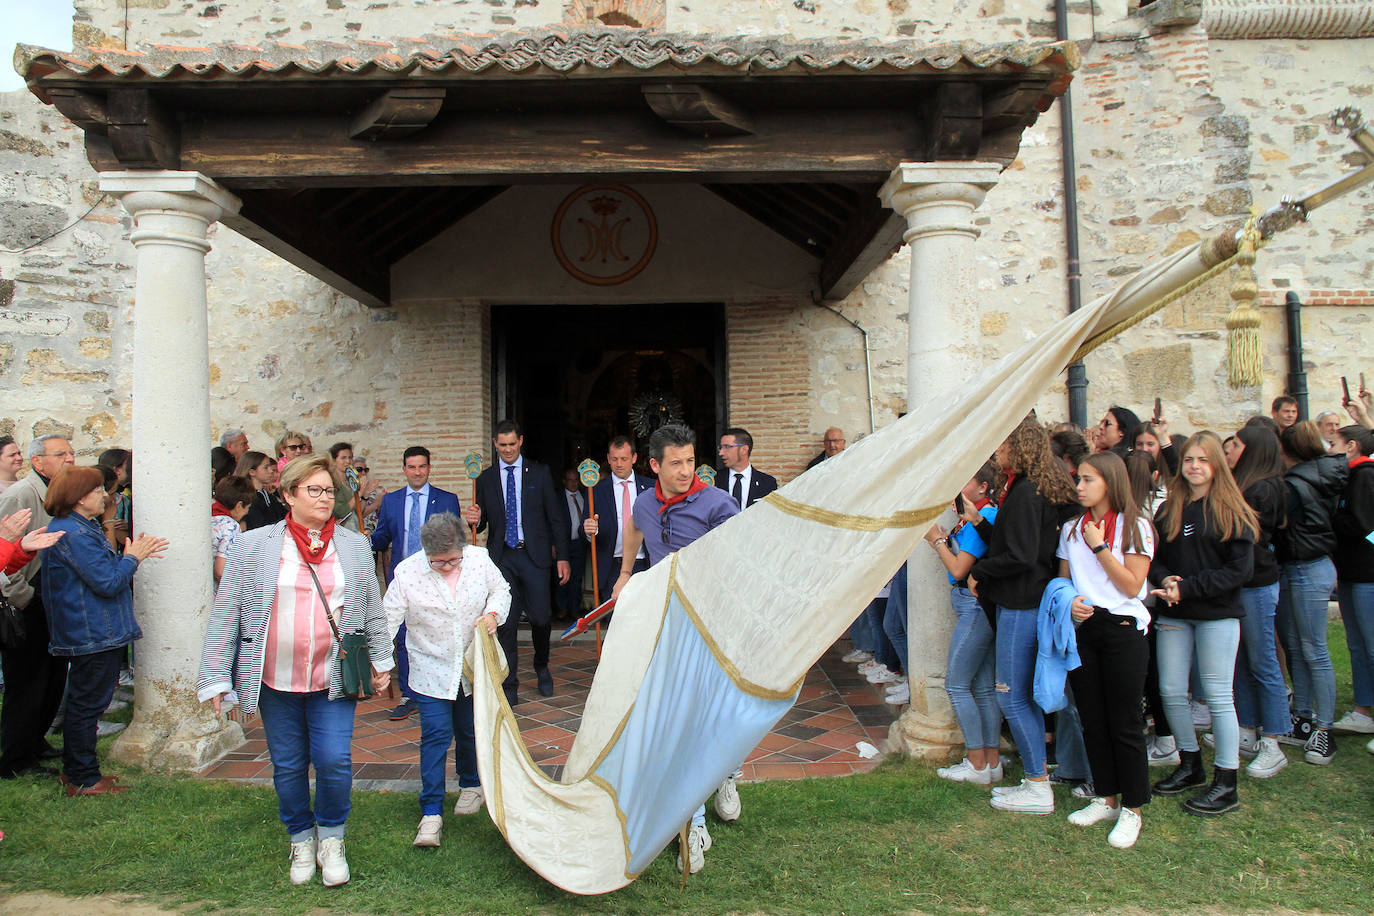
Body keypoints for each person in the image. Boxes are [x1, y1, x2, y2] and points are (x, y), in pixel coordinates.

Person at [198, 454, 393, 888]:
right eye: (315, 490)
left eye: (329, 490)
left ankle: (331, 839)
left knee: (334, 760)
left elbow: (371, 609)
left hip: (333, 677)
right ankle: (301, 838)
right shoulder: (254, 545)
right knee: (287, 766)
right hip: (274, 678)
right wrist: (214, 675)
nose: (325, 498)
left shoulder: (354, 545)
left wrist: (382, 661)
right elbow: (226, 612)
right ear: (288, 495)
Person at [611, 424, 742, 874]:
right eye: (676, 463)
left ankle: (725, 773)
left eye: (690, 461)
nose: (686, 471)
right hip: (665, 626)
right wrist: (627, 572)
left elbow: (737, 560)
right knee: (678, 720)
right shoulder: (645, 501)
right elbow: (633, 527)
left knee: (712, 714)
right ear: (655, 466)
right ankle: (693, 820)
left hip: (709, 627)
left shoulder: (718, 504)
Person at [968, 417, 1079, 814]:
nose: (996, 452)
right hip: (1021, 601)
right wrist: (982, 527)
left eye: (1002, 445)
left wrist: (979, 571)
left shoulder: (1029, 492)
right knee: (1017, 697)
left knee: (1012, 698)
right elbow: (1010, 543)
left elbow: (1021, 555)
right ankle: (1036, 778)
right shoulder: (1024, 487)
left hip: (1022, 604)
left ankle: (1037, 785)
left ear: (1020, 447)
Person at [383, 513, 510, 847]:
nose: (448, 567)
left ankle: (470, 785)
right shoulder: (408, 572)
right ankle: (431, 812)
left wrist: (494, 614)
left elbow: (501, 590)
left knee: (468, 729)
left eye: (453, 560)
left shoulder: (479, 560)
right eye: (438, 563)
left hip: (470, 665)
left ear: (463, 548)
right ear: (426, 553)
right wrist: (380, 662)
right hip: (430, 667)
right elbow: (389, 618)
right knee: (436, 735)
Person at [42, 466, 168, 795]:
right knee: (87, 705)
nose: (105, 495)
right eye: (98, 490)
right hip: (92, 633)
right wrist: (133, 558)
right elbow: (108, 582)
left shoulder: (83, 527)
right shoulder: (75, 534)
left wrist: (127, 556)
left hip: (97, 630)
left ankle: (78, 771)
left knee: (88, 703)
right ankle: (83, 778)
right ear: (80, 498)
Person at [1149, 432, 1256, 816]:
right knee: (1171, 690)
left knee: (1217, 695)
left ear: (1217, 466)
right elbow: (1156, 558)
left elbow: (1237, 571)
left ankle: (1226, 782)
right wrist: (1165, 582)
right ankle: (1189, 764)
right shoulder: (1169, 508)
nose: (1195, 466)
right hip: (1175, 613)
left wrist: (1189, 589)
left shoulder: (1232, 509)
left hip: (1217, 614)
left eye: (1203, 460)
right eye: (1190, 459)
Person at [1055, 452, 1154, 848]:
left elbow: (1132, 586)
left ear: (1110, 482)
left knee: (1125, 720)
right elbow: (1062, 582)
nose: (1079, 486)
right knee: (1091, 717)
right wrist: (1071, 601)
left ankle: (1134, 807)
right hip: (1085, 626)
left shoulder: (1135, 525)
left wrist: (1100, 547)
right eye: (1078, 479)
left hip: (1123, 627)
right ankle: (1106, 797)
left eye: (1087, 480)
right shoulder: (1070, 528)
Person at [464, 422, 569, 704]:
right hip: (502, 557)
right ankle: (509, 684)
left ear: (520, 441)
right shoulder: (485, 479)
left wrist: (563, 557)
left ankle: (541, 664)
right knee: (506, 622)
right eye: (503, 445)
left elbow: (555, 517)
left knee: (541, 618)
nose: (508, 450)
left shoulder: (539, 472)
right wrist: (473, 518)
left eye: (512, 444)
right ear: (495, 444)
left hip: (534, 556)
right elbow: (483, 522)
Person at [0, 435, 76, 780]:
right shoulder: (20, 494)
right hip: (28, 598)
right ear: (38, 462)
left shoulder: (55, 491)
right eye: (62, 454)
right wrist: (23, 596)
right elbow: (5, 544)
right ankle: (16, 757)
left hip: (49, 597)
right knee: (27, 680)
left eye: (72, 452)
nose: (71, 459)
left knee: (51, 675)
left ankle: (35, 740)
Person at [1274, 420, 1348, 765]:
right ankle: (1302, 717)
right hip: (1304, 566)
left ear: (1285, 452)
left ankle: (1324, 729)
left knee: (1313, 649)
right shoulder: (1324, 473)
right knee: (1298, 646)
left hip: (1307, 567)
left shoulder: (1294, 484)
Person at [923, 461, 1001, 784]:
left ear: (983, 487)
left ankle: (977, 763)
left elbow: (959, 570)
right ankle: (991, 763)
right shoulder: (969, 518)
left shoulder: (987, 516)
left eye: (966, 479)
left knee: (956, 684)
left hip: (974, 608)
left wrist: (936, 541)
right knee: (982, 687)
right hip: (971, 605)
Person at [372, 446, 461, 720]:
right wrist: (364, 541)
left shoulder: (446, 499)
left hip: (436, 577)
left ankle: (439, 687)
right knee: (402, 636)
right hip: (403, 578)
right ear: (404, 469)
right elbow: (383, 537)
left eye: (422, 466)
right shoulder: (392, 501)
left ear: (429, 468)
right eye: (412, 467)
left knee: (435, 632)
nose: (417, 472)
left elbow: (455, 540)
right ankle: (409, 693)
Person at [1224, 425, 1292, 778]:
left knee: (1264, 660)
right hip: (1241, 583)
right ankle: (1247, 729)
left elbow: (1247, 535)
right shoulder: (1245, 485)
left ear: (1251, 450)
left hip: (1257, 583)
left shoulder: (1263, 488)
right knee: (1242, 659)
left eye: (1235, 445)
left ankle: (1274, 740)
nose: (1229, 451)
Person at [1331, 425, 1374, 745]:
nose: (1328, 448)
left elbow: (1363, 524)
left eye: (1333, 443)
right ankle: (1363, 711)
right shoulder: (1349, 478)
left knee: (1372, 647)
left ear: (1351, 447)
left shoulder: (1365, 476)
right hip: (1350, 573)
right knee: (1357, 645)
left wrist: (1327, 520)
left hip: (1367, 574)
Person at [582, 435, 652, 608]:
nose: (619, 464)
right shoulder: (596, 491)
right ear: (608, 459)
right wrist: (590, 530)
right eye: (614, 459)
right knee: (614, 623)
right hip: (612, 565)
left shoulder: (651, 487)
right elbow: (585, 527)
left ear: (634, 458)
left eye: (624, 459)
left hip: (644, 564)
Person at [716, 428, 778, 509]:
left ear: (744, 449)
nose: (721, 453)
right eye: (720, 447)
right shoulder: (715, 479)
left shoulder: (767, 483)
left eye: (727, 447)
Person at [554, 469, 587, 621]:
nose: (573, 483)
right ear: (564, 481)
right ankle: (562, 608)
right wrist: (553, 544)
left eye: (576, 480)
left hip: (579, 544)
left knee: (576, 578)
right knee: (561, 577)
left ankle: (575, 608)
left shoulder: (585, 496)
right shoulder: (557, 498)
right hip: (563, 544)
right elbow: (551, 522)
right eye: (570, 480)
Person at [211, 476, 254, 590]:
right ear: (239, 505)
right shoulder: (230, 526)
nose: (247, 512)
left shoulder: (206, 514)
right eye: (248, 507)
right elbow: (221, 571)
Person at [238, 450, 288, 531]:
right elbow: (259, 526)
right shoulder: (248, 498)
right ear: (252, 472)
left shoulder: (267, 495)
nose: (271, 471)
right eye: (266, 467)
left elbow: (285, 515)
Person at [328, 443, 361, 532]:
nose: (348, 461)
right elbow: (341, 512)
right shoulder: (332, 484)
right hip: (342, 532)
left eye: (350, 457)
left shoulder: (351, 482)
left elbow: (360, 512)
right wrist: (359, 494)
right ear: (334, 461)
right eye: (343, 458)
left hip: (355, 530)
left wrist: (365, 495)